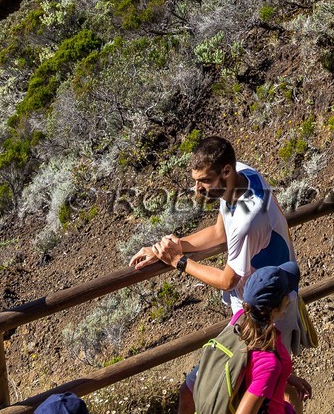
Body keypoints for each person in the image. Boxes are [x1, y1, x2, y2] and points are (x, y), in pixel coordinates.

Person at [130, 135, 303, 350]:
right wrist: (168, 249)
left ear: (226, 171)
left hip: (268, 311)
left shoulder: (248, 219)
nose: (197, 189)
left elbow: (227, 280)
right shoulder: (243, 174)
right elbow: (219, 232)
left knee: (266, 368)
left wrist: (178, 261)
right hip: (263, 300)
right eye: (195, 180)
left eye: (204, 180)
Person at [181, 263, 312, 414]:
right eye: (287, 294)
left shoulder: (242, 319)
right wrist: (274, 373)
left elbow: (250, 365)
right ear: (276, 310)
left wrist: (285, 376)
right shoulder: (268, 364)